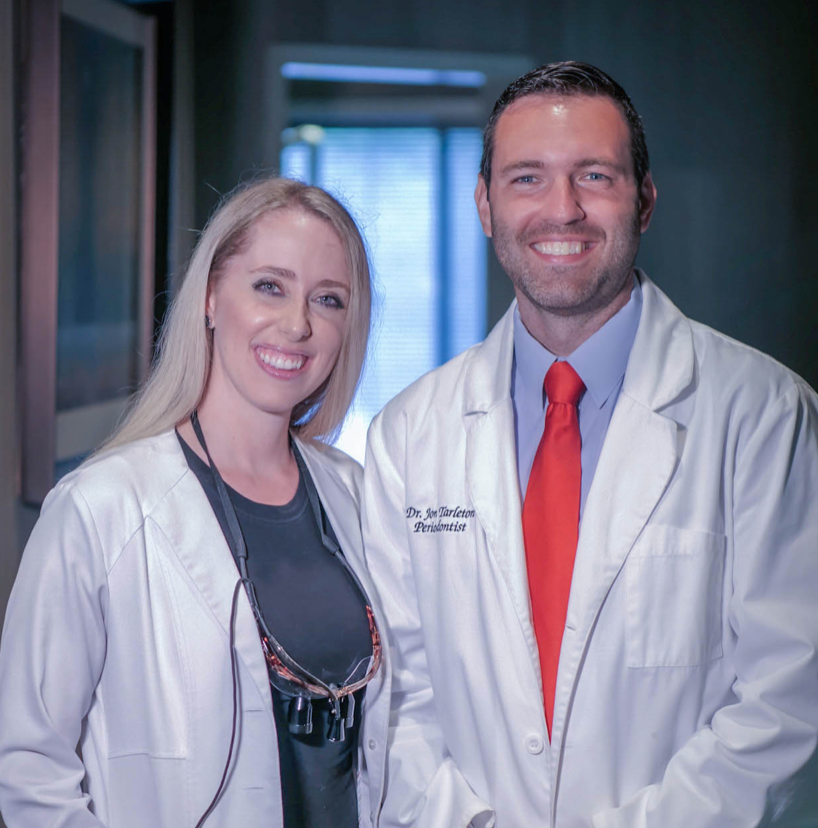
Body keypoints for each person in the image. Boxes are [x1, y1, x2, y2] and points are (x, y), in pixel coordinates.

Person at [361, 62, 818, 828]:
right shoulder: (408, 435)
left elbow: (789, 698)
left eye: (595, 176)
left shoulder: (766, 416)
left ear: (643, 200)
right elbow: (393, 701)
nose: (561, 210)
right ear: (484, 205)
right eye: (527, 178)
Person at [0, 177, 392, 828]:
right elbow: (26, 766)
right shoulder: (101, 510)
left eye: (328, 300)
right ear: (210, 296)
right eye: (270, 286)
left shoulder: (357, 498)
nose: (297, 324)